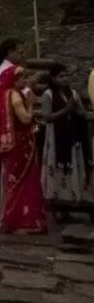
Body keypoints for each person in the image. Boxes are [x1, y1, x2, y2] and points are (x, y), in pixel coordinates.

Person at [0, 65, 47, 233]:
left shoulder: (4, 94)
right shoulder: (15, 96)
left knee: (12, 181)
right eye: (22, 78)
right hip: (20, 144)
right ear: (14, 80)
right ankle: (23, 220)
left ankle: (14, 218)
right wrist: (30, 105)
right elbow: (25, 118)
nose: (24, 81)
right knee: (23, 181)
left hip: (13, 145)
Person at [41, 63, 91, 205]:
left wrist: (74, 111)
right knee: (58, 166)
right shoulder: (48, 94)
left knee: (74, 164)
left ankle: (75, 196)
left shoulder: (73, 94)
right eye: (61, 76)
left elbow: (83, 113)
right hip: (56, 136)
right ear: (53, 78)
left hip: (72, 135)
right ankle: (58, 199)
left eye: (66, 76)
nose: (64, 79)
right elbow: (47, 116)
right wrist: (65, 110)